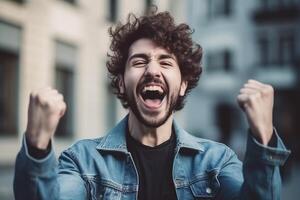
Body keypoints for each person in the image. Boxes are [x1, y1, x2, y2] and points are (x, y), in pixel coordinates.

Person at [14, 9, 290, 200]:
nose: (153, 70)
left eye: (166, 62)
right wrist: (37, 147)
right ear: (122, 83)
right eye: (140, 61)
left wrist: (263, 137)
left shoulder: (216, 162)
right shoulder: (83, 162)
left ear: (182, 85)